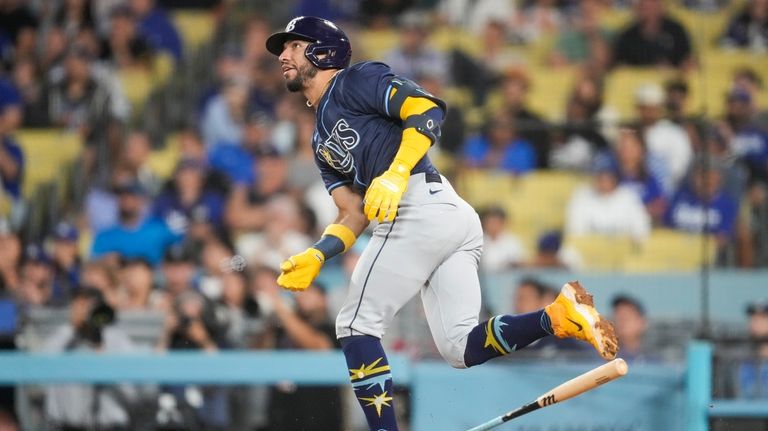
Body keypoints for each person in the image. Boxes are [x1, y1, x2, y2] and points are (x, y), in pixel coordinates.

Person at [266, 16, 619, 431]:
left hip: (419, 206)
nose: (284, 55)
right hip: (445, 217)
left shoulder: (355, 79)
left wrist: (396, 174)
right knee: (459, 347)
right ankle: (557, 317)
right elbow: (353, 212)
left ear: (322, 50)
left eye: (293, 45)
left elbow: (427, 108)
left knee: (354, 324)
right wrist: (317, 253)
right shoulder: (319, 138)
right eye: (282, 49)